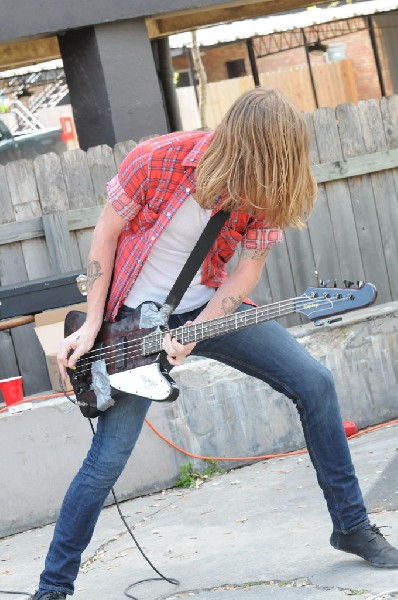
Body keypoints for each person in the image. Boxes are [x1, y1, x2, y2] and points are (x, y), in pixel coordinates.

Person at [32, 88, 398, 599]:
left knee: (315, 382)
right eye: (256, 166)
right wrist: (93, 321)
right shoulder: (157, 160)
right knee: (108, 461)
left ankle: (352, 525)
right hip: (130, 323)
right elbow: (104, 237)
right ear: (235, 143)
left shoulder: (269, 184)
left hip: (208, 310)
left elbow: (246, 271)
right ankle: (54, 586)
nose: (260, 184)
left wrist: (197, 329)